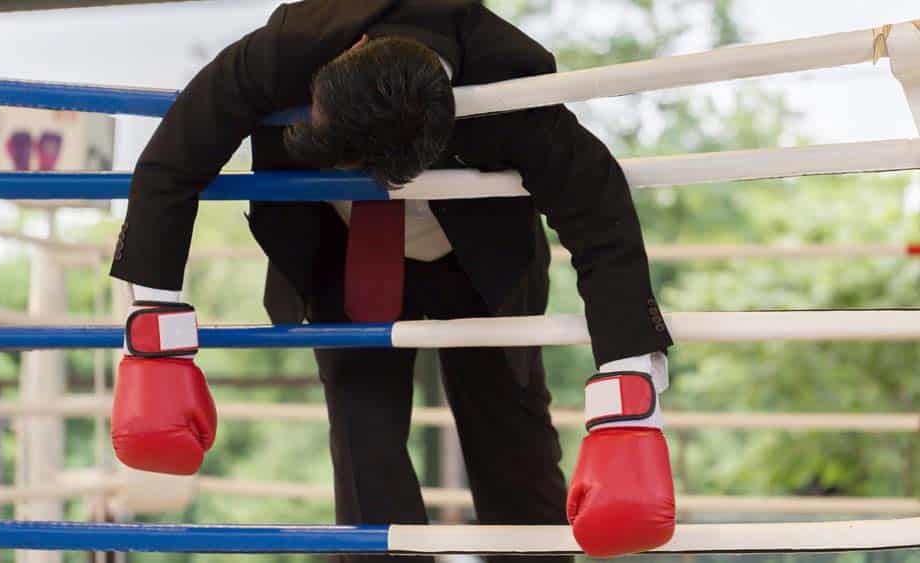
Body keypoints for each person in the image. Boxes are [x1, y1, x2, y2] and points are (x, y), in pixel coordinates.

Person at [108, 1, 676, 559]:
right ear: (345, 58)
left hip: (480, 260)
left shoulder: (510, 84)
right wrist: (156, 336)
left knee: (510, 438)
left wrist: (629, 401)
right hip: (344, 253)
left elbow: (602, 216)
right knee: (363, 443)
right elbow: (170, 165)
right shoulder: (285, 46)